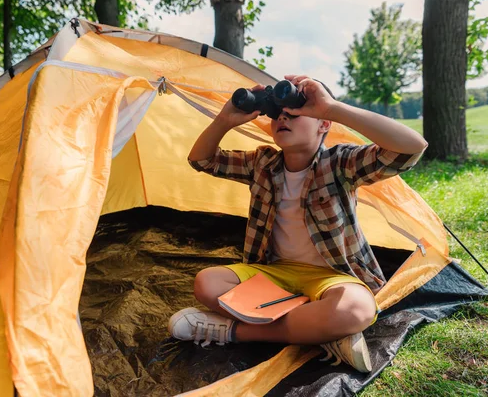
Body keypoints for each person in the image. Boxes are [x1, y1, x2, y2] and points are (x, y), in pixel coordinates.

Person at [168, 75, 428, 372]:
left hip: (330, 277)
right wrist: (225, 119)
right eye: (277, 113)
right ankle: (321, 333)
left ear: (323, 124)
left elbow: (410, 149)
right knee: (207, 283)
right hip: (274, 275)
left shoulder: (340, 164)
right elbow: (201, 160)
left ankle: (232, 331)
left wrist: (331, 108)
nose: (283, 117)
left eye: (295, 111)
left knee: (356, 308)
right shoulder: (261, 163)